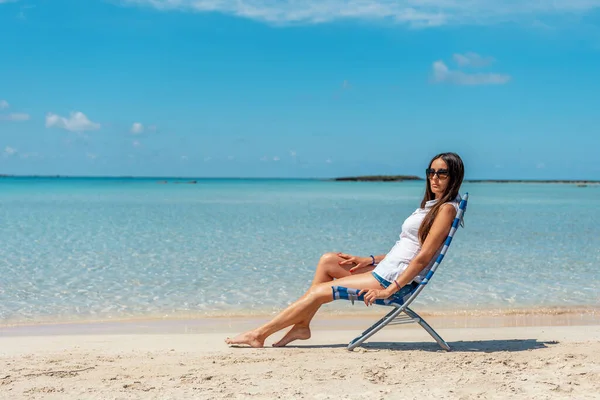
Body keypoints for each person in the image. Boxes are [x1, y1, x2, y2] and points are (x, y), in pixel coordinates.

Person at [226, 152, 465, 348]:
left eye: (442, 173)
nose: (434, 178)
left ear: (453, 177)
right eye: (431, 172)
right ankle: (301, 326)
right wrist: (369, 259)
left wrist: (389, 290)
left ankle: (259, 334)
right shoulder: (431, 207)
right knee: (329, 261)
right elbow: (408, 248)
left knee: (320, 291)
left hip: (391, 280)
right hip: (386, 269)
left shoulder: (446, 210)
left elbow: (423, 258)